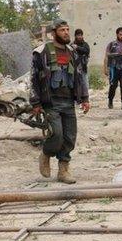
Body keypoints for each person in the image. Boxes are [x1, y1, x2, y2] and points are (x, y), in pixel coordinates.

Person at [30, 18, 90, 184]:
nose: (66, 33)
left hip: (69, 102)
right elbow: (33, 78)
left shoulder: (72, 52)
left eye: (67, 30)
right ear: (54, 32)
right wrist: (35, 103)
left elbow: (80, 76)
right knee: (56, 135)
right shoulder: (41, 52)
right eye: (62, 30)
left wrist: (84, 98)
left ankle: (63, 171)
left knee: (70, 137)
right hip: (51, 103)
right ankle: (46, 154)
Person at [104, 27, 122, 110]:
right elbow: (106, 56)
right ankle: (110, 101)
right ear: (117, 34)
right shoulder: (111, 44)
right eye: (120, 34)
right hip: (113, 69)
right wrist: (105, 68)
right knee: (113, 86)